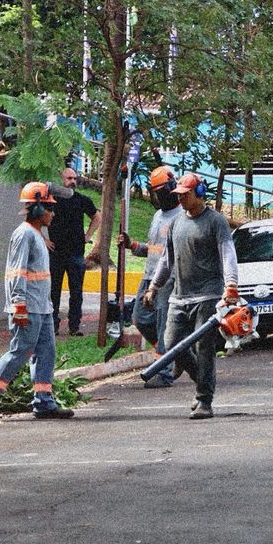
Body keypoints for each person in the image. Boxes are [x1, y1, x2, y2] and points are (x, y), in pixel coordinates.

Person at [0, 182, 75, 421]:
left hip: (42, 308)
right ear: (37, 208)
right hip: (28, 307)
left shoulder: (37, 235)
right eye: (49, 208)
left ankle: (44, 402)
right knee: (20, 352)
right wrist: (19, 305)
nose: (53, 213)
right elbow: (16, 273)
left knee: (46, 352)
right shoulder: (24, 234)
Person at [142, 171, 239, 419]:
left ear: (199, 193)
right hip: (179, 297)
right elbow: (166, 260)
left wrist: (231, 286)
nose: (181, 199)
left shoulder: (215, 221)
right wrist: (153, 287)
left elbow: (228, 254)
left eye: (185, 195)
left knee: (204, 348)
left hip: (207, 296)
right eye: (179, 195)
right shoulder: (176, 223)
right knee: (172, 344)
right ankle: (203, 381)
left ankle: (204, 400)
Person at [118, 165, 184, 388]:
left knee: (164, 324)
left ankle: (164, 371)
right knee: (139, 318)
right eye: (156, 192)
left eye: (163, 191)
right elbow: (153, 249)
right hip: (149, 275)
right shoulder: (157, 216)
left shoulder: (182, 216)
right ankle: (172, 353)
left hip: (168, 278)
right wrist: (132, 245)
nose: (160, 196)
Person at [47, 165, 98, 336]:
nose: (73, 181)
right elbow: (34, 216)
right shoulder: (52, 199)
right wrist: (43, 239)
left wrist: (88, 235)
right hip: (56, 253)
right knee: (53, 291)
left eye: (75, 178)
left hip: (76, 253)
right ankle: (53, 325)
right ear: (62, 180)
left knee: (76, 292)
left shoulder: (81, 200)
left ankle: (74, 326)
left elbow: (96, 217)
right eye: (69, 178)